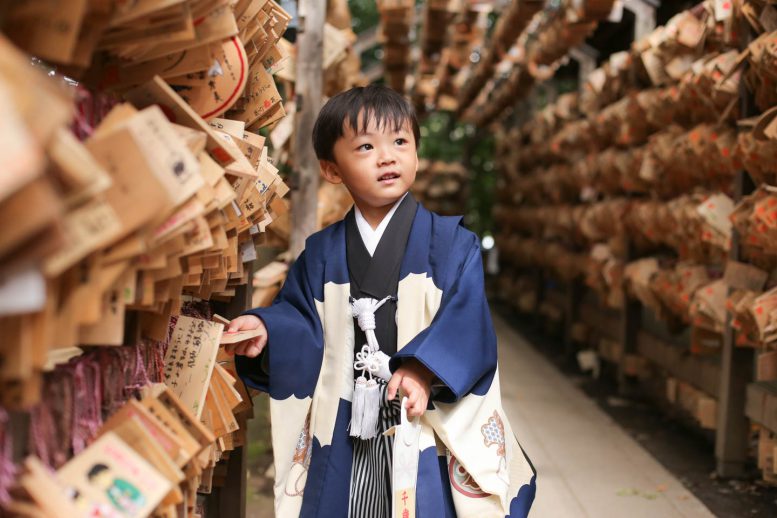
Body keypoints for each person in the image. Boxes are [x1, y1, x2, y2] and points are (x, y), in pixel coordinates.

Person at [227, 85, 536, 517]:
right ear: (332, 170)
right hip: (346, 420)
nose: (387, 156)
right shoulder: (320, 253)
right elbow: (300, 320)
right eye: (366, 146)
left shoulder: (451, 245)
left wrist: (424, 370)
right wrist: (269, 329)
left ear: (416, 153)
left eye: (400, 142)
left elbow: (467, 325)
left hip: (417, 413)